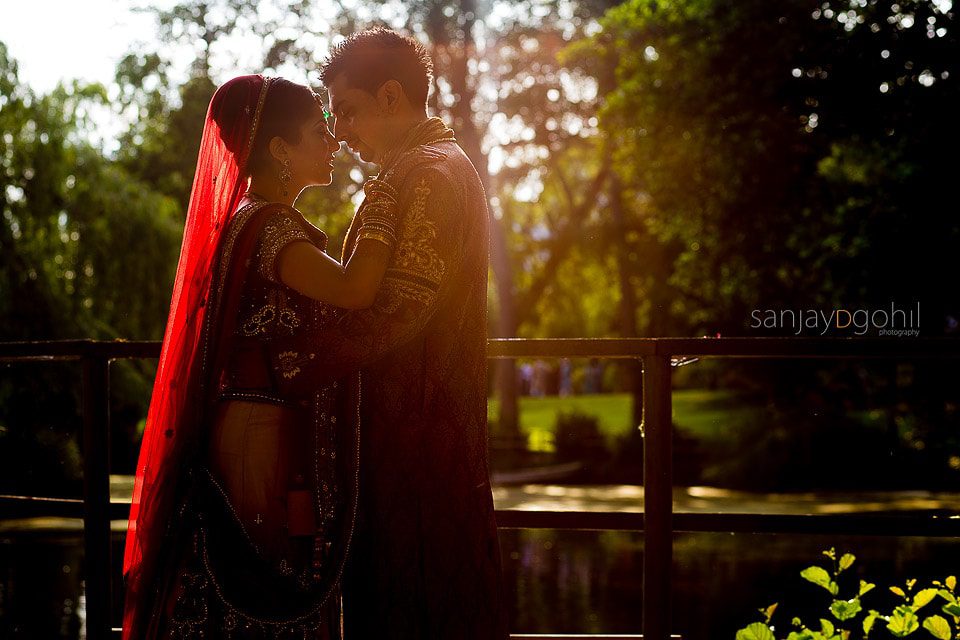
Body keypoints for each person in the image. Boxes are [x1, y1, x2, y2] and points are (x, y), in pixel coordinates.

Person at [121, 74, 429, 639]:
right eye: (319, 131)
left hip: (262, 424)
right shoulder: (270, 229)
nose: (334, 141)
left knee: (265, 583)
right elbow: (357, 291)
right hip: (258, 432)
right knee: (261, 585)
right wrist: (385, 200)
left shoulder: (258, 221)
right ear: (282, 151)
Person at [266, 28, 509, 638]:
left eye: (347, 111)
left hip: (419, 445)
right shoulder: (419, 170)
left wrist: (291, 363)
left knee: (418, 610)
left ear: (393, 97)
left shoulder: (429, 176)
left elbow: (399, 310)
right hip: (407, 440)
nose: (338, 131)